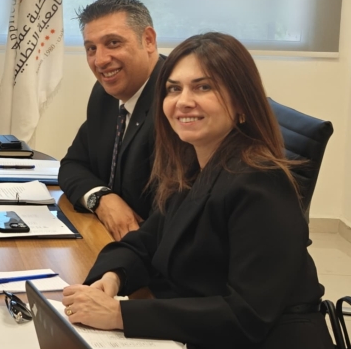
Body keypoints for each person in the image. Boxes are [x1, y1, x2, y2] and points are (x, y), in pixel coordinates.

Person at [61, 32, 332, 349]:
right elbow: (146, 241)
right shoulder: (193, 164)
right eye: (174, 88)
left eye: (203, 87)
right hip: (201, 328)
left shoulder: (261, 183)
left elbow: (246, 316)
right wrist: (112, 277)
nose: (183, 101)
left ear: (242, 104)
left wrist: (119, 314)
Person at [58, 0, 164, 241]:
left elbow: (174, 213)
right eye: (91, 48)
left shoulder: (175, 101)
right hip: (106, 239)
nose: (100, 60)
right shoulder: (105, 95)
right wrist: (101, 198)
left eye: (113, 43)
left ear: (148, 40)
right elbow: (72, 165)